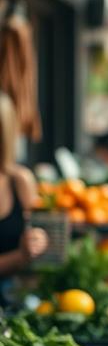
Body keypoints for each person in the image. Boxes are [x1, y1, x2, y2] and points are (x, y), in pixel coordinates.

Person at [0, 91, 47, 281]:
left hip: (18, 296)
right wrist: (20, 256)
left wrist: (39, 241)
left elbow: (44, 251)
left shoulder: (20, 181)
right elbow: (23, 257)